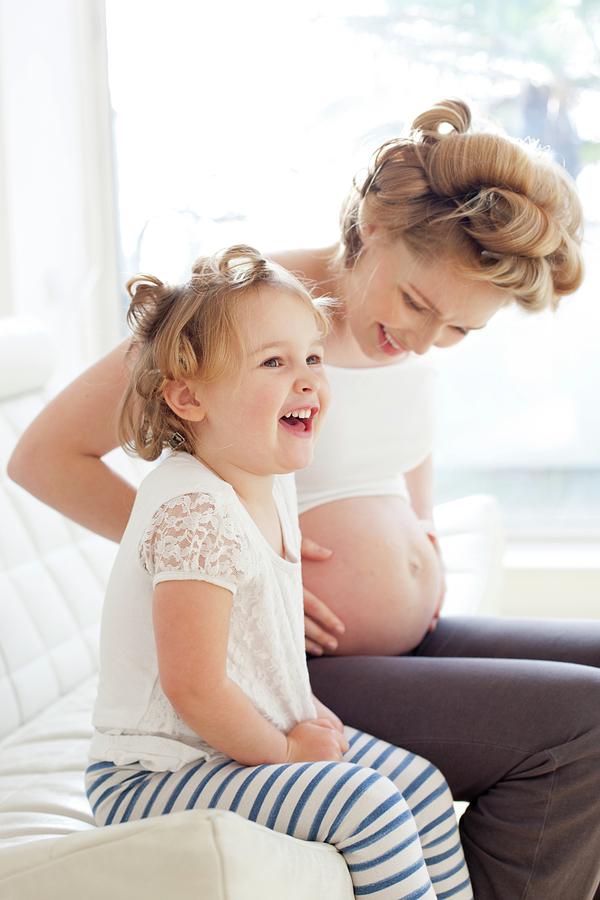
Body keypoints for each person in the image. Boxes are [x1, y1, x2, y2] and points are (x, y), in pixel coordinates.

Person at [8, 100, 600, 898]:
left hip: (402, 637)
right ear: (375, 229)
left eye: (461, 330)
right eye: (420, 306)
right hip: (305, 664)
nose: (426, 342)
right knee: (582, 722)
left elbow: (401, 433)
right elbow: (44, 456)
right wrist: (243, 569)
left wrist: (420, 534)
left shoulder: (403, 334)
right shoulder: (242, 319)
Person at [85, 244, 472, 900]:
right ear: (187, 396)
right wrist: (289, 753)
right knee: (369, 806)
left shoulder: (268, 481)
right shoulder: (195, 510)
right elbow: (195, 686)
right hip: (153, 779)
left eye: (313, 359)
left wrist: (307, 712)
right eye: (274, 362)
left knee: (422, 787)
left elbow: (257, 658)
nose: (308, 379)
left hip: (216, 751)